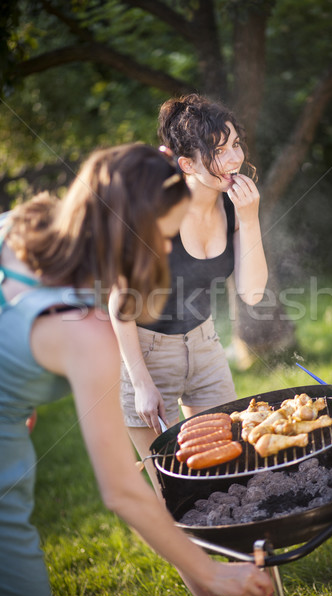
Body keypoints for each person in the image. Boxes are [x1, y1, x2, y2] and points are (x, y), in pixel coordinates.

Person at [0, 143, 273, 596]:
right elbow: (123, 492)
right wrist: (211, 574)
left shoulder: (25, 224)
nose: (167, 248)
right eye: (164, 236)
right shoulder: (87, 333)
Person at [111, 94, 268, 489]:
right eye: (219, 150)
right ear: (187, 164)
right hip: (146, 353)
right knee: (175, 486)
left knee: (228, 474)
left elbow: (251, 294)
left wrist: (249, 221)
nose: (235, 159)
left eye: (235, 144)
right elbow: (119, 303)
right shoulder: (154, 214)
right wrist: (142, 383)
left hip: (205, 344)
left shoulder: (234, 207)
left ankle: (241, 552)